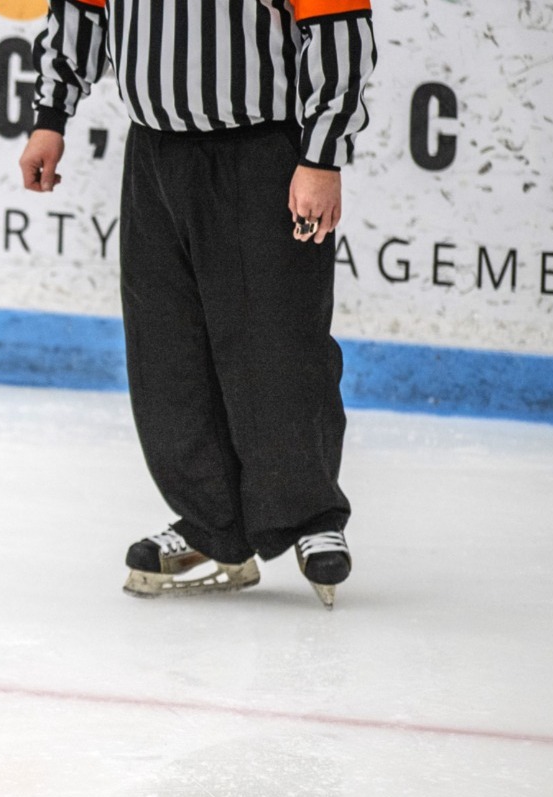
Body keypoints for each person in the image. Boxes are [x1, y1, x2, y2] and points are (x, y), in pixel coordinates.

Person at [19, 0, 377, 608]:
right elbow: (80, 13)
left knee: (278, 339)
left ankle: (308, 512)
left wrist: (321, 157)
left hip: (264, 151)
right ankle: (213, 527)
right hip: (155, 155)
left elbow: (339, 33)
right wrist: (50, 116)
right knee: (168, 351)